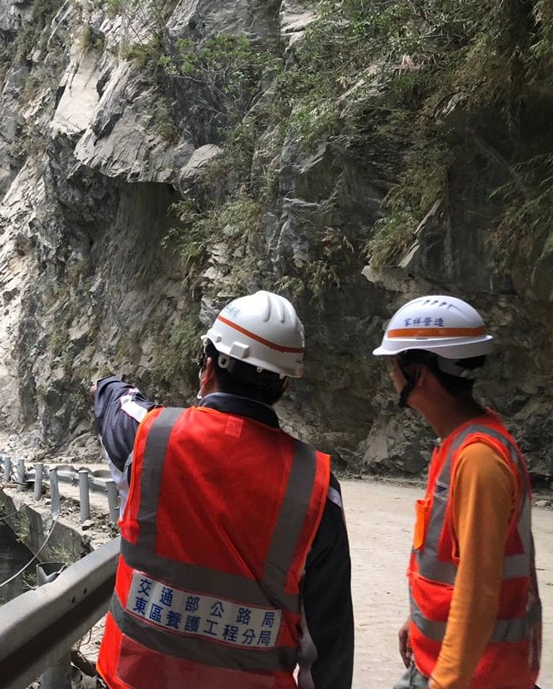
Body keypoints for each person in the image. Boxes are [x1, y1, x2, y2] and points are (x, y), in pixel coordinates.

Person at [90, 290, 354, 689]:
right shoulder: (315, 485)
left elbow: (116, 406)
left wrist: (106, 384)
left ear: (208, 365)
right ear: (283, 386)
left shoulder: (153, 437)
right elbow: (329, 638)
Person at [373, 295, 542, 689]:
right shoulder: (458, 446)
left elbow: (479, 592)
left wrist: (445, 682)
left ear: (418, 371)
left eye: (393, 364)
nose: (391, 374)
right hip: (451, 668)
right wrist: (416, 624)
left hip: (474, 678)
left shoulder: (478, 460)